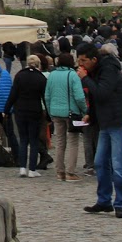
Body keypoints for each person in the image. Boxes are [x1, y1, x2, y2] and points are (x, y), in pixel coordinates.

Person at [80, 42, 122, 218]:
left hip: (119, 121)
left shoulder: (108, 69)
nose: (80, 65)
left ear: (94, 59)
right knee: (100, 162)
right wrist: (90, 114)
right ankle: (104, 200)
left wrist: (85, 78)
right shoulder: (95, 71)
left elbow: (102, 93)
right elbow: (97, 99)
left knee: (118, 165)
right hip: (105, 122)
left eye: (83, 61)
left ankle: (120, 203)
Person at [45, 52, 87, 182]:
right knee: (73, 142)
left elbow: (47, 95)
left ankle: (60, 171)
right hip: (71, 113)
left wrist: (50, 111)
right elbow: (79, 97)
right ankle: (70, 172)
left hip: (55, 112)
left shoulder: (52, 75)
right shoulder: (72, 75)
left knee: (60, 142)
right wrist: (85, 110)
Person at [7, 54, 49, 176]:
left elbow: (13, 94)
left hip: (20, 110)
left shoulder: (19, 75)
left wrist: (7, 108)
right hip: (34, 111)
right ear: (38, 64)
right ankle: (32, 169)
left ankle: (22, 168)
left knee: (23, 139)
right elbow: (44, 98)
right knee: (34, 140)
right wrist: (48, 114)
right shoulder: (41, 78)